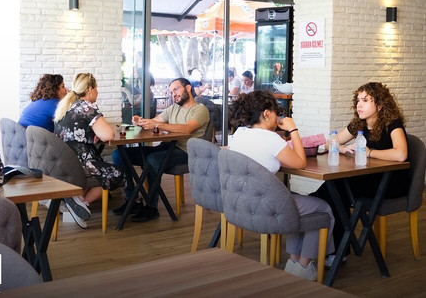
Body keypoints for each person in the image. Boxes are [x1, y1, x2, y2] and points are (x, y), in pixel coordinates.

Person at [228, 91, 334, 281]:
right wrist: (293, 130)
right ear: (266, 113)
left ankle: (294, 261)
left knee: (292, 201)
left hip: (243, 201)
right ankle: (304, 265)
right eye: (276, 113)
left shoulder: (239, 134)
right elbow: (300, 162)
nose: (278, 118)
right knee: (323, 208)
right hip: (267, 206)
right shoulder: (271, 139)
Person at [311, 82, 408, 266]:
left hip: (391, 181)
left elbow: (401, 154)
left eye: (365, 100)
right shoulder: (359, 124)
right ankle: (336, 248)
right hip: (368, 178)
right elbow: (329, 142)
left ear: (379, 104)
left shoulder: (393, 124)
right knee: (333, 189)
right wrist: (343, 148)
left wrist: (369, 152)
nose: (359, 105)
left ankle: (336, 249)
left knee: (336, 189)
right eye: (358, 100)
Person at [111, 77, 210, 222]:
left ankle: (152, 207)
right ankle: (133, 200)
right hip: (167, 147)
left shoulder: (200, 110)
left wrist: (158, 125)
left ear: (188, 88)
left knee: (152, 159)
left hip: (187, 153)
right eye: (171, 92)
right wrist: (140, 121)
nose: (173, 94)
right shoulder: (174, 108)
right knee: (119, 154)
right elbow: (154, 121)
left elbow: (187, 129)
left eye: (176, 89)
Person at [54, 73, 125, 229]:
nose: (97, 92)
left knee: (100, 167)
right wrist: (99, 133)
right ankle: (81, 206)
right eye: (96, 88)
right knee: (117, 174)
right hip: (80, 164)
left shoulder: (67, 105)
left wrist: (93, 134)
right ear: (90, 89)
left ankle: (75, 206)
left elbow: (77, 132)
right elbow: (109, 135)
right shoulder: (86, 107)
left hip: (64, 163)